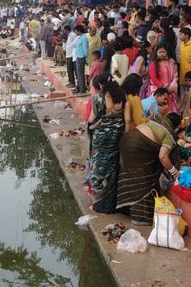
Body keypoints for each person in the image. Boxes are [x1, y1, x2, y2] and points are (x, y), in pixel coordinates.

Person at [116, 117, 179, 225]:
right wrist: (174, 173)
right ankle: (142, 218)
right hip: (137, 146)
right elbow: (163, 157)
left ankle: (127, 209)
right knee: (145, 180)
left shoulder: (153, 124)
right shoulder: (169, 136)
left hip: (126, 141)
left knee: (131, 177)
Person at [88, 79, 126, 214]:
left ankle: (98, 203)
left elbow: (91, 120)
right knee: (112, 168)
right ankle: (111, 202)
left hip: (101, 139)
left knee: (98, 170)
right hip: (116, 137)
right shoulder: (122, 99)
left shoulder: (99, 99)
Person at [148, 44, 178, 113]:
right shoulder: (153, 64)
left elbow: (175, 76)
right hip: (158, 89)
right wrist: (164, 88)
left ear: (167, 52)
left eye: (163, 52)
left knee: (170, 107)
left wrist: (172, 86)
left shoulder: (172, 62)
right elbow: (154, 79)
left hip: (170, 88)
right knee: (154, 106)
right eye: (160, 52)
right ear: (156, 53)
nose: (161, 54)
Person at [73, 24, 89, 94]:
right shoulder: (80, 38)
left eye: (76, 31)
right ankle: (79, 88)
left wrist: (86, 58)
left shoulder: (84, 38)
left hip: (81, 58)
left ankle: (82, 90)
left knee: (80, 74)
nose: (75, 32)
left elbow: (86, 49)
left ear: (79, 31)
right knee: (78, 74)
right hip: (78, 57)